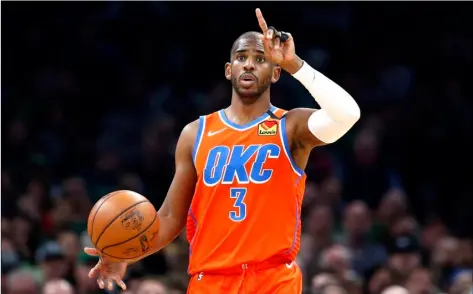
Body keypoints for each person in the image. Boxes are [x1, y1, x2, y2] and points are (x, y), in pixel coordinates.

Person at [84, 8, 360, 294]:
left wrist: (296, 64)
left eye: (260, 59)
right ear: (229, 70)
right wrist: (122, 252)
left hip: (272, 279)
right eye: (241, 58)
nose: (249, 65)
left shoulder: (290, 127)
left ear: (276, 72)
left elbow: (347, 114)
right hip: (210, 280)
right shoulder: (195, 134)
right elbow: (169, 218)